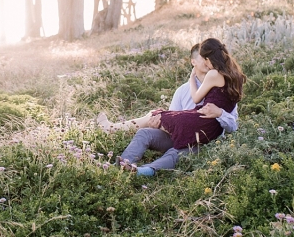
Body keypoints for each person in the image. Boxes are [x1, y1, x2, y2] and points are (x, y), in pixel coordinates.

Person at [97, 40, 242, 176]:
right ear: (193, 62)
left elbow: (233, 126)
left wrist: (220, 113)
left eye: (206, 57)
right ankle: (123, 164)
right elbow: (175, 119)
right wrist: (158, 125)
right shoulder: (183, 91)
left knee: (176, 152)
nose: (205, 61)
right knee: (144, 133)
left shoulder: (223, 86)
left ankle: (142, 171)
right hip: (181, 131)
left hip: (204, 140)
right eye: (201, 58)